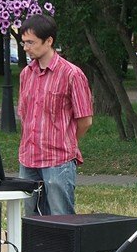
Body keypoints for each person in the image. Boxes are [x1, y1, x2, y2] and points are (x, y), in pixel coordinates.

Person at [16, 14, 93, 216]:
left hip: (58, 161)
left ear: (49, 41)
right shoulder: (26, 74)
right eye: (23, 42)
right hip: (28, 159)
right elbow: (24, 114)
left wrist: (66, 142)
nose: (25, 48)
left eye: (31, 42)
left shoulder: (72, 74)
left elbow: (85, 120)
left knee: (61, 219)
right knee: (32, 219)